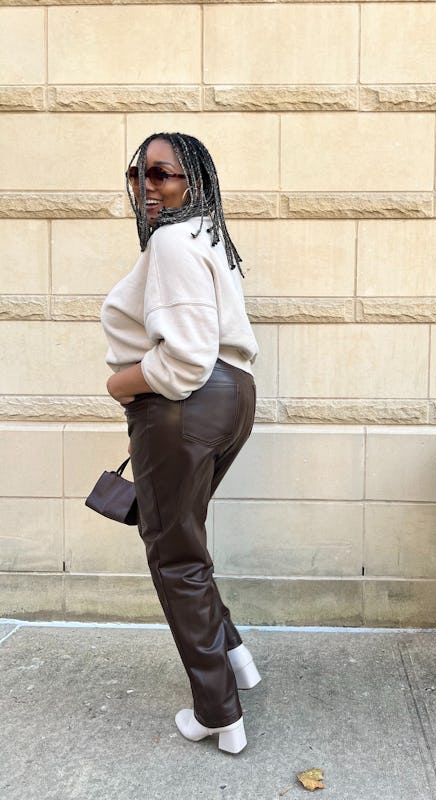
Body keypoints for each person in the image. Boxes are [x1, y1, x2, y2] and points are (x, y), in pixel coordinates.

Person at [100, 132, 260, 754]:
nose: (147, 187)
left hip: (181, 406)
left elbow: (185, 360)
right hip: (232, 398)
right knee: (185, 543)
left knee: (173, 556)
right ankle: (236, 658)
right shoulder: (206, 237)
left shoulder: (171, 240)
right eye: (137, 174)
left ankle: (217, 711)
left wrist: (121, 383)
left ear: (192, 181)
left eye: (162, 174)